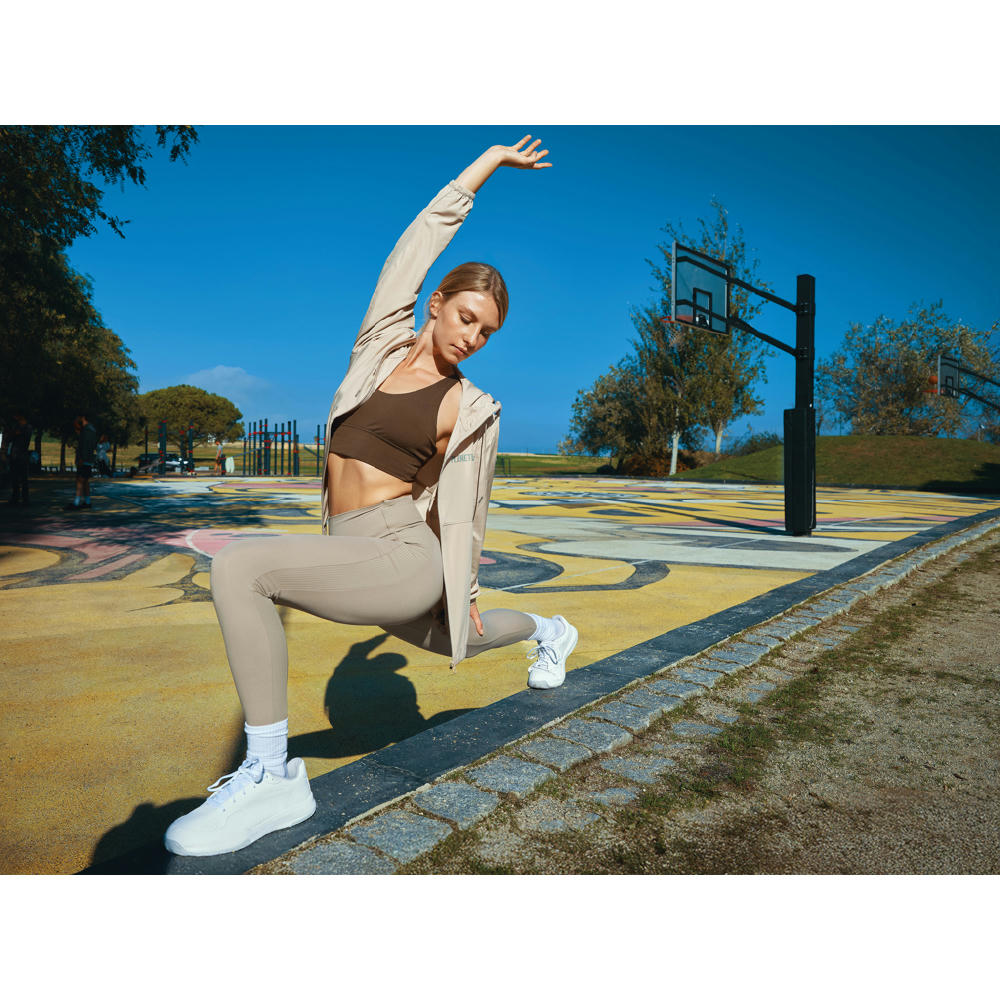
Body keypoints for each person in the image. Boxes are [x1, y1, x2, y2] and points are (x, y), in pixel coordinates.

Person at [164, 137, 579, 857]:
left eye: (487, 331)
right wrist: (485, 165)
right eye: (466, 318)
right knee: (458, 638)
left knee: (239, 567)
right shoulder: (379, 348)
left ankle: (272, 775)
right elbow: (414, 247)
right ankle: (550, 629)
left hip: (401, 550)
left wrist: (464, 585)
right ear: (437, 304)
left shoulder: (469, 407)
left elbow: (469, 509)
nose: (474, 337)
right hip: (350, 548)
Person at [64, 414, 98, 510]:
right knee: (85, 481)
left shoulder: (87, 430)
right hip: (88, 458)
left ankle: (76, 502)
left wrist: (82, 458)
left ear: (83, 418)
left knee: (80, 480)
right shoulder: (91, 429)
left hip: (84, 459)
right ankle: (87, 501)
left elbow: (85, 446)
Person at [7, 413, 33, 505]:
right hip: (15, 454)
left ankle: (24, 498)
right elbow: (9, 438)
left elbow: (22, 437)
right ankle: (16, 497)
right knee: (15, 478)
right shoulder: (17, 426)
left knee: (23, 478)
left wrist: (15, 433)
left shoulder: (27, 427)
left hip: (22, 455)